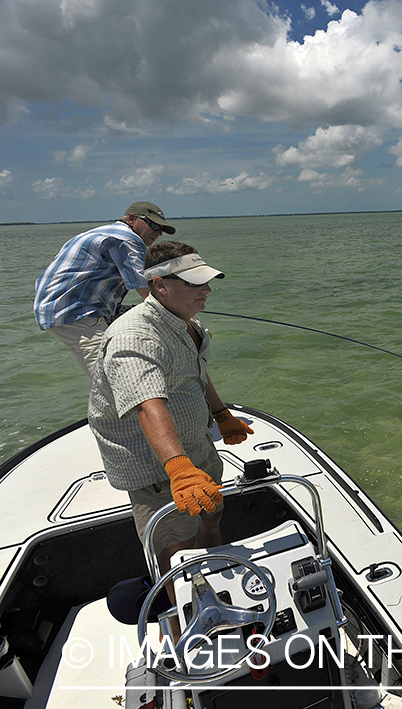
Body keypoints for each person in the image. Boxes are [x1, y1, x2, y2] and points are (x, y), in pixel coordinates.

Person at [87, 240, 253, 613]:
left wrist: (222, 415)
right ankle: (186, 629)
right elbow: (148, 405)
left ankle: (210, 566)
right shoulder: (133, 336)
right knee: (175, 554)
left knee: (210, 518)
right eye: (195, 284)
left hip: (197, 447)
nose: (207, 290)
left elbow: (196, 372)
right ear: (160, 285)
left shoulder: (188, 323)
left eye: (207, 281)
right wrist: (178, 468)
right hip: (158, 466)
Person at [33, 201, 175, 379]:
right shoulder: (127, 239)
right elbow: (143, 287)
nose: (158, 232)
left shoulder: (103, 231)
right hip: (77, 313)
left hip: (58, 307)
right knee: (113, 380)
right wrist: (176, 314)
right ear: (131, 219)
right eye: (153, 225)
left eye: (162, 229)